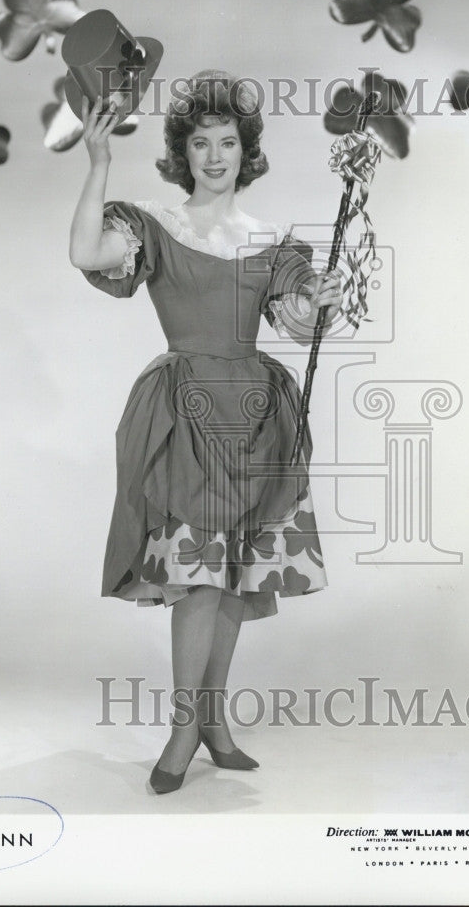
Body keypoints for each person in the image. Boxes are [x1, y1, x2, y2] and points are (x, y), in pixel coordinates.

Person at [69, 71, 342, 794]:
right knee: (194, 581)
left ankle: (214, 721)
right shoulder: (155, 223)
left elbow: (300, 320)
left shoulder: (274, 240)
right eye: (201, 143)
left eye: (228, 142)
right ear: (182, 152)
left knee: (230, 583)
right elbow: (86, 255)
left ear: (245, 151)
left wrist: (326, 304)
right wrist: (98, 166)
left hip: (256, 416)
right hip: (186, 414)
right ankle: (184, 726)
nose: (215, 155)